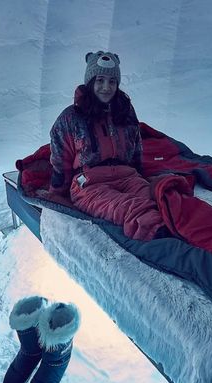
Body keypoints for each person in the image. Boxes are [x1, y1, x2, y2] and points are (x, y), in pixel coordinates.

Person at [49, 51, 167, 241]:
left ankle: (184, 227)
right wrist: (57, 196)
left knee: (163, 201)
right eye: (100, 80)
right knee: (132, 209)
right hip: (89, 183)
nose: (106, 87)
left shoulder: (125, 112)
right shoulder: (71, 118)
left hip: (127, 176)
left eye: (112, 81)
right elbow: (60, 160)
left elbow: (136, 148)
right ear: (90, 82)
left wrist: (140, 176)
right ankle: (161, 239)